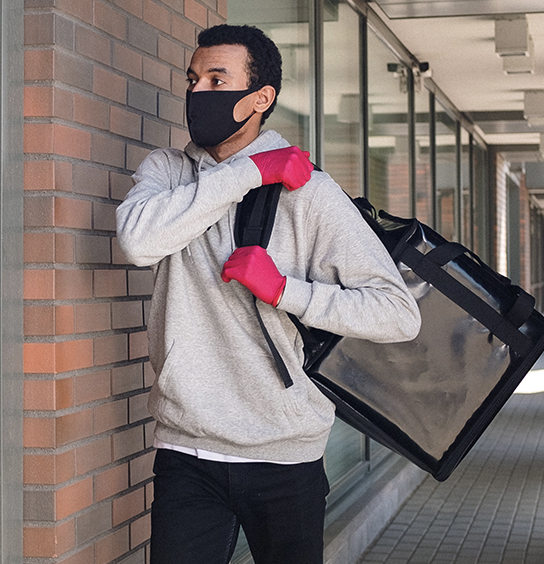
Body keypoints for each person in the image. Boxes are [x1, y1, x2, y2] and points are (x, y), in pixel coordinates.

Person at [115, 24, 421, 564]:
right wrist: (249, 172)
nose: (199, 93)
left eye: (218, 79)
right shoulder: (169, 172)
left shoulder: (311, 194)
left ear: (260, 98)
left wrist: (287, 291)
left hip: (284, 452)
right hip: (187, 446)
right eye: (193, 79)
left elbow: (398, 314)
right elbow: (139, 242)